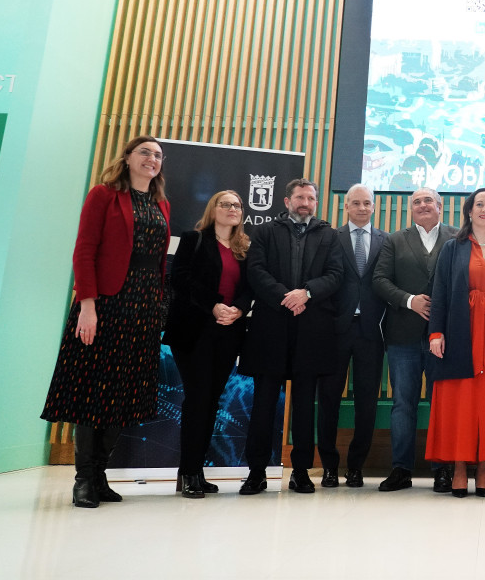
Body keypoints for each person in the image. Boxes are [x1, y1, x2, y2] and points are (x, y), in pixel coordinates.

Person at [41, 135, 171, 508]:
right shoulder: (103, 195)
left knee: (124, 392)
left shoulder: (161, 203)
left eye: (158, 155)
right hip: (106, 304)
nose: (152, 159)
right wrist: (87, 305)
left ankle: (100, 476)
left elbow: (159, 261)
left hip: (143, 308)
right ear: (128, 157)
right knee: (92, 391)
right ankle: (83, 480)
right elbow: (84, 250)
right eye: (145, 152)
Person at [238, 179, 344, 495]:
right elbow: (255, 272)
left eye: (311, 197)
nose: (306, 202)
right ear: (287, 201)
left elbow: (336, 275)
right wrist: (286, 296)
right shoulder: (265, 232)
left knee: (304, 406)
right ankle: (256, 472)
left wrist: (306, 293)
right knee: (263, 404)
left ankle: (300, 472)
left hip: (312, 330)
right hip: (271, 327)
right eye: (300, 197)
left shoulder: (329, 234)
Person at [426, 188, 485, 497]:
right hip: (460, 331)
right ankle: (458, 467)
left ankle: (483, 468)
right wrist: (436, 332)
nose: (484, 209)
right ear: (469, 211)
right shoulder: (453, 248)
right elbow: (439, 291)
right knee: (460, 402)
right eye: (479, 204)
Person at [163, 190, 251, 498]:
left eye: (237, 205)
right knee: (198, 399)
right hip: (195, 330)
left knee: (211, 401)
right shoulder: (193, 239)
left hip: (229, 332)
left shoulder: (243, 248)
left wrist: (238, 309)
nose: (232, 209)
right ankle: (187, 472)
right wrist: (214, 305)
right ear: (213, 209)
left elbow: (249, 287)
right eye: (225, 204)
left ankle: (197, 471)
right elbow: (181, 279)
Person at [373, 187, 457, 493]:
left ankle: (443, 469)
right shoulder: (394, 240)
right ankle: (401, 469)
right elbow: (380, 280)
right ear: (411, 209)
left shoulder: (457, 237)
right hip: (402, 335)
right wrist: (410, 300)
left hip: (445, 337)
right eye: (417, 202)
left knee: (442, 404)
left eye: (428, 201)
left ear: (440, 206)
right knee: (402, 403)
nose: (423, 205)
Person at [316, 184, 388, 489]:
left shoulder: (387, 241)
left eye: (367, 203)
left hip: (372, 331)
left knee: (366, 402)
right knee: (329, 398)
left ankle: (356, 467)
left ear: (374, 207)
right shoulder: (332, 237)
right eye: (355, 203)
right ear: (346, 207)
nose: (361, 208)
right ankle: (329, 466)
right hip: (335, 330)